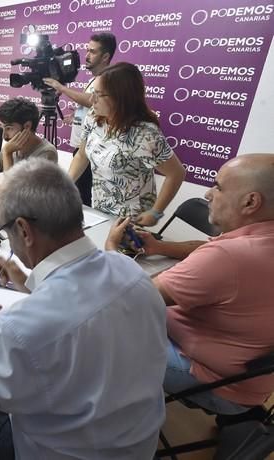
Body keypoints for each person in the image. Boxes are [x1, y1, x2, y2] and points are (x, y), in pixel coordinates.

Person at [0, 158, 168, 459]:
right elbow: (80, 309)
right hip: (135, 445)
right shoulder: (132, 272)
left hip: (58, 452)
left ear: (23, 230)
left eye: (6, 232)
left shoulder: (19, 328)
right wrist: (32, 284)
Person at [105, 154, 274, 415]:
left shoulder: (229, 259)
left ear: (250, 201)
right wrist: (159, 246)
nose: (208, 194)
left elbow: (133, 295)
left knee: (101, 329)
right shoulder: (257, 240)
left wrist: (111, 249)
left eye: (217, 187)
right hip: (250, 377)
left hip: (213, 380)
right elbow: (211, 248)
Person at [68, 62, 186, 226]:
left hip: (130, 218)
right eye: (93, 92)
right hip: (99, 210)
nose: (92, 99)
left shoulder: (144, 133)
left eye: (99, 94)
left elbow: (177, 173)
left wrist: (156, 212)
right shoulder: (94, 118)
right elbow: (81, 155)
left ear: (121, 97)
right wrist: (66, 185)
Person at [43, 32, 116, 206]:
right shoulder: (95, 80)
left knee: (83, 199)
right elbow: (93, 107)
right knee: (78, 194)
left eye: (92, 52)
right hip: (82, 146)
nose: (87, 55)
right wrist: (77, 116)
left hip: (93, 151)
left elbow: (91, 100)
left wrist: (61, 87)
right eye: (87, 50)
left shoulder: (107, 79)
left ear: (105, 56)